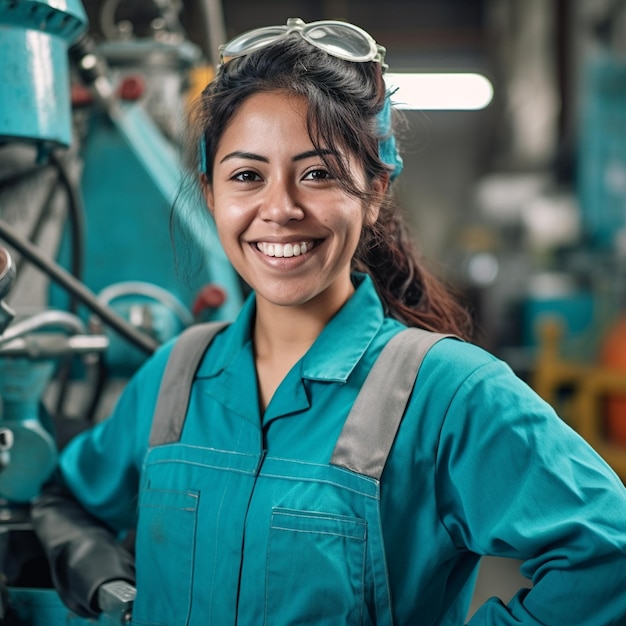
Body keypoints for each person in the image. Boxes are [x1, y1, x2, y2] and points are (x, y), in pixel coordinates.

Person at [33, 17, 626, 626]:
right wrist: (105, 579)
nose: (280, 208)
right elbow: (67, 500)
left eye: (317, 173)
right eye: (247, 176)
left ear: (373, 192)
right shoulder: (176, 376)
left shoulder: (447, 393)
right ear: (211, 196)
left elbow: (610, 558)